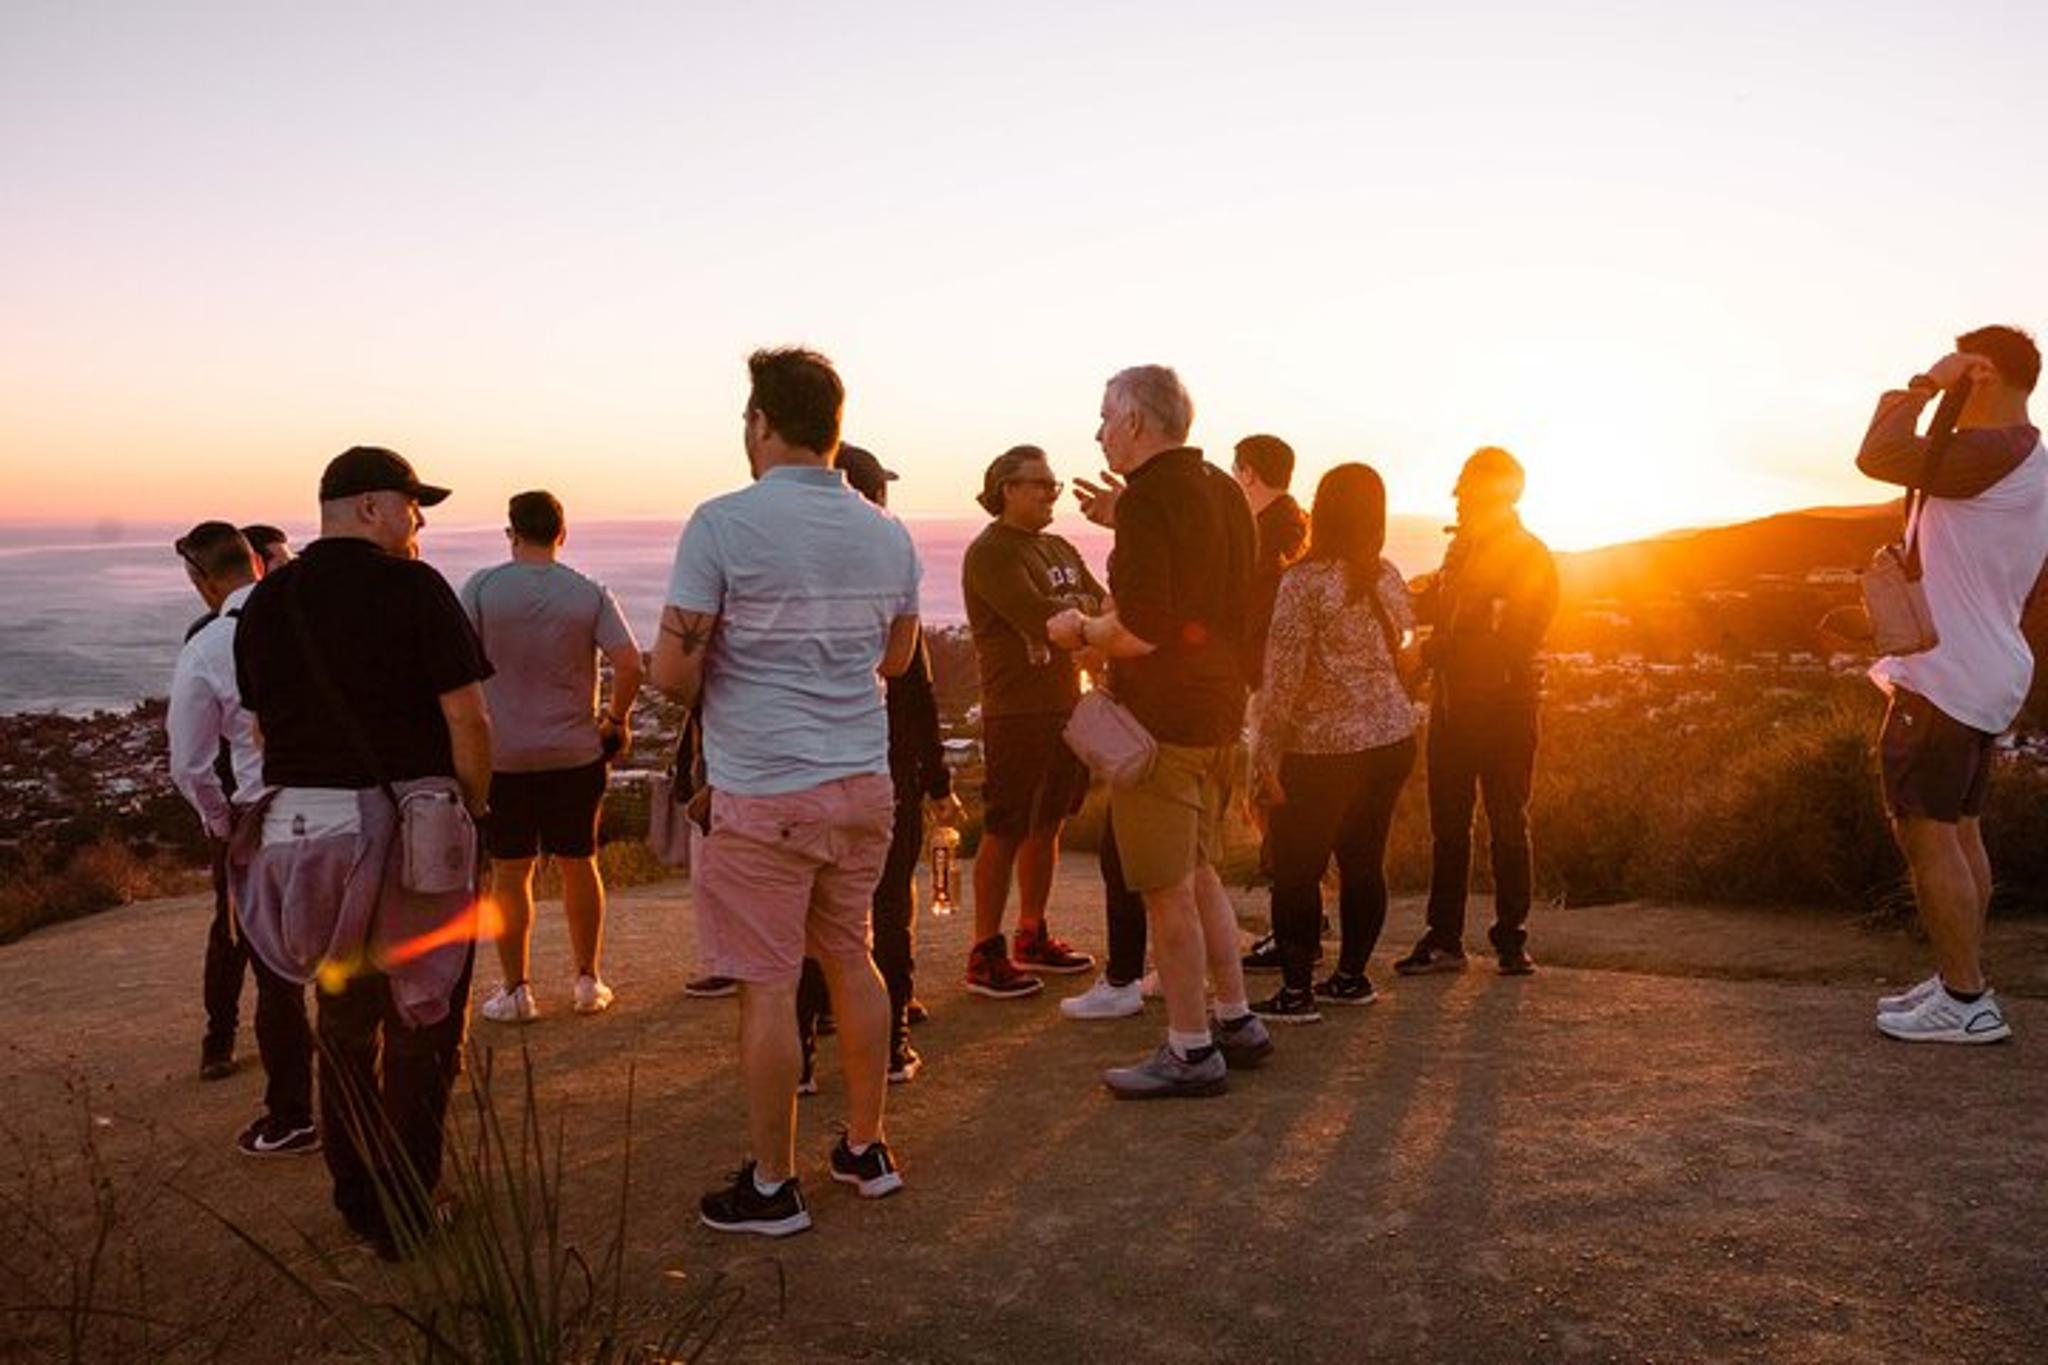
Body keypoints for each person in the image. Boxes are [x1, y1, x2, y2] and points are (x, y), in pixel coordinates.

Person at [652, 348, 919, 1235]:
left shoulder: (721, 524)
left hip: (765, 789)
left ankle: (773, 1186)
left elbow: (673, 672)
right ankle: (867, 1147)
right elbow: (897, 658)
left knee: (767, 984)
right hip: (863, 782)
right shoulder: (887, 532)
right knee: (852, 954)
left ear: (761, 422)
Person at [232, 445, 494, 1257]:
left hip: (304, 833)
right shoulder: (414, 587)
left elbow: (261, 727)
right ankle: (408, 1207)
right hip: (408, 828)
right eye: (414, 508)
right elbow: (469, 719)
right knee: (422, 1014)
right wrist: (472, 808)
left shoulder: (268, 601)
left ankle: (355, 1194)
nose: (419, 526)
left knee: (343, 1018)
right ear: (374, 506)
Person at [1048, 365, 1272, 1098]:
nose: (1099, 433)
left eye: (1105, 417)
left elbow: (1142, 629)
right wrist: (1126, 516)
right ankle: (1236, 1019)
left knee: (1166, 891)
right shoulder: (1223, 490)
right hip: (1219, 715)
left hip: (1161, 728)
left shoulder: (1150, 500)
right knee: (1202, 873)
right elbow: (1198, 581)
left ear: (1136, 422)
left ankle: (1189, 1047)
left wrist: (1080, 628)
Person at [1857, 326, 2048, 1044]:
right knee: (1962, 830)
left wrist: (1926, 384)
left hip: (1946, 674)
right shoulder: (2033, 462)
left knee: (1927, 833)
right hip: (1987, 668)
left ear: (1984, 373)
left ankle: (1966, 999)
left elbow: (1878, 453)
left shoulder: (1989, 451)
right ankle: (1960, 980)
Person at [797, 445, 960, 1087]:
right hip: (881, 768)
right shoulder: (889, 565)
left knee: (812, 907)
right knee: (891, 903)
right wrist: (939, 782)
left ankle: (804, 1047)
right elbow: (915, 691)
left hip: (805, 766)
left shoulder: (794, 570)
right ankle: (891, 1042)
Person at [462, 490, 643, 1022]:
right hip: (574, 753)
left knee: (510, 873)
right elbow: (630, 664)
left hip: (504, 757)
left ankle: (517, 991)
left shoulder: (481, 589)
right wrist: (616, 719)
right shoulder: (588, 592)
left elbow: (456, 664)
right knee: (579, 863)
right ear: (562, 533)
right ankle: (588, 981)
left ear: (511, 532)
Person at [1246, 466, 1418, 1022]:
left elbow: (1282, 680)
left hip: (1322, 749)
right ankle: (1351, 978)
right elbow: (1407, 648)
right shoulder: (1387, 576)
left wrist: (1263, 759)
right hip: (1391, 738)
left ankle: (1296, 992)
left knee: (1296, 869)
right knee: (1364, 862)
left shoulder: (1305, 582)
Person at [167, 522, 317, 1157]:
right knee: (356, 967)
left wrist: (222, 824)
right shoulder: (319, 615)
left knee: (278, 978)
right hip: (352, 807)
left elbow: (189, 764)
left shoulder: (209, 644)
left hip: (268, 819)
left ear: (201, 580)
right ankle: (371, 1109)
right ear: (257, 561)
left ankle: (292, 1116)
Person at [1394, 447, 1557, 978]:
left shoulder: (1529, 557)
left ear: (1498, 494)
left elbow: (1502, 639)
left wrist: (1430, 652)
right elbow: (1442, 611)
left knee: (1507, 823)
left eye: (1467, 488)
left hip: (1507, 709)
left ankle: (1511, 940)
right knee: (1450, 827)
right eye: (1460, 487)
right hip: (1454, 706)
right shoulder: (1460, 552)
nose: (1457, 497)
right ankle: (1446, 939)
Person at [959, 444, 1102, 999]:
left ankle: (1031, 932)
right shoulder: (991, 552)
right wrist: (1085, 618)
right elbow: (1043, 616)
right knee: (1006, 827)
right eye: (1039, 484)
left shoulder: (1058, 547)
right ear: (1007, 490)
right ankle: (984, 949)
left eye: (1053, 485)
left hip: (1066, 703)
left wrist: (1084, 617)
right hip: (1016, 710)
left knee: (1050, 823)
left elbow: (1098, 601)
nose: (1050, 494)